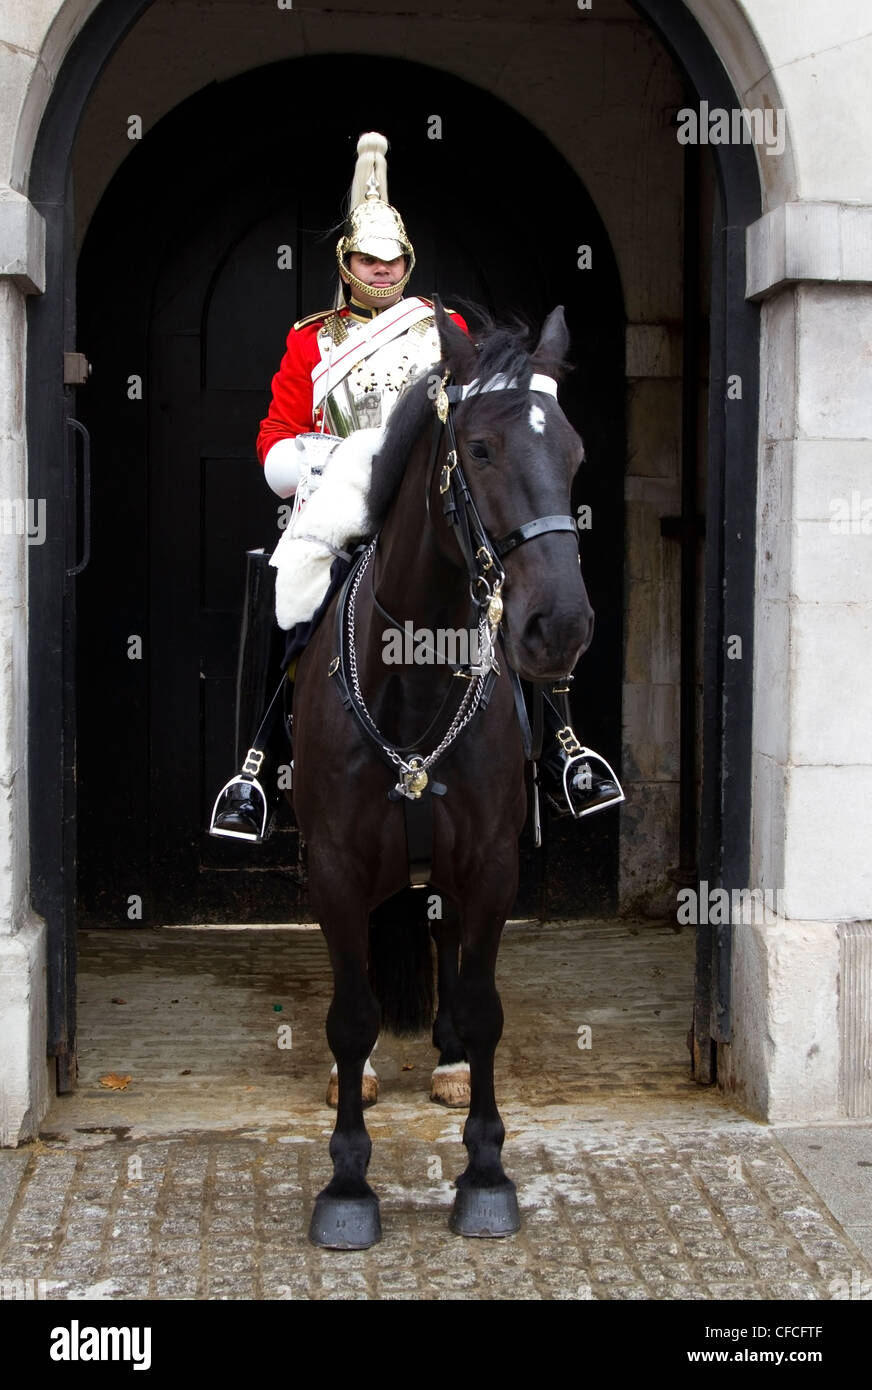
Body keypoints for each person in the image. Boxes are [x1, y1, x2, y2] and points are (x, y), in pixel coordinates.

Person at [208, 132, 623, 843]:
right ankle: (255, 765)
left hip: (435, 493)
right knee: (290, 585)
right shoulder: (311, 340)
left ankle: (564, 745)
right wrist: (326, 463)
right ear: (346, 263)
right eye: (370, 258)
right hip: (343, 490)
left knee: (509, 582)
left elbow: (485, 413)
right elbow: (275, 435)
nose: (385, 269)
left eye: (396, 258)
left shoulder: (448, 328)